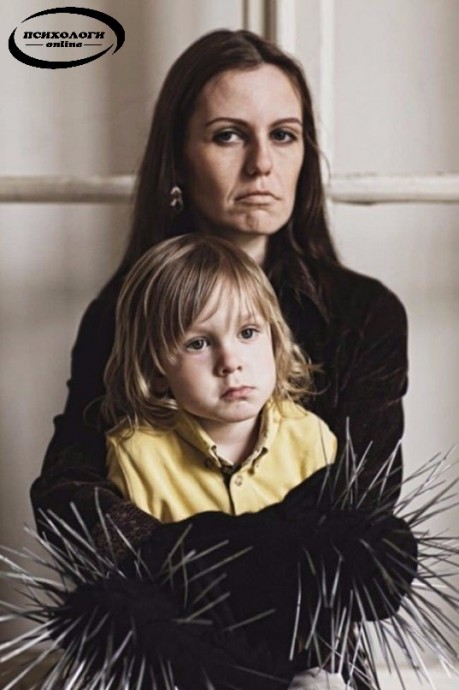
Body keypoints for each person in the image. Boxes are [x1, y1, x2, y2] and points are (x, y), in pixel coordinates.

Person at [30, 28, 408, 689]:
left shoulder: (362, 312)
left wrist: (181, 552)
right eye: (229, 135)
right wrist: (222, 566)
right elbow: (68, 496)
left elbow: (360, 508)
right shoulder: (121, 312)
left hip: (309, 649)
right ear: (178, 161)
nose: (261, 164)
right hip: (171, 652)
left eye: (283, 135)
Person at [103, 234, 336, 522]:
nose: (230, 363)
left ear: (275, 340)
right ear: (155, 370)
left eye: (247, 333)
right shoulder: (136, 456)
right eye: (198, 343)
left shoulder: (312, 438)